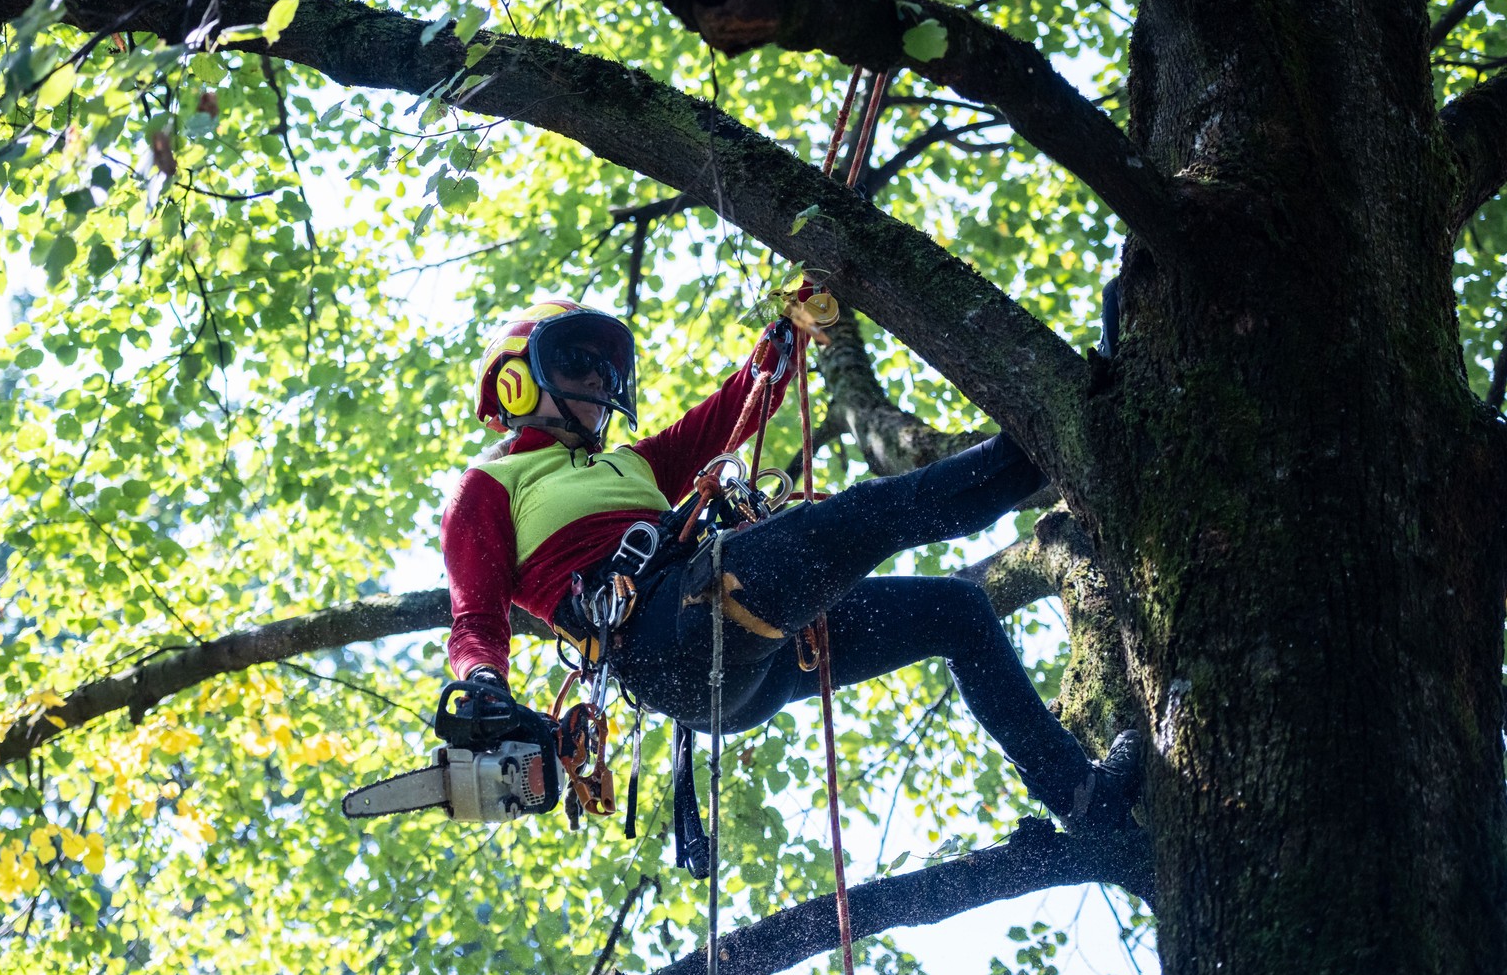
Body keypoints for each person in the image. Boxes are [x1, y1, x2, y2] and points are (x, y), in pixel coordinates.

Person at [439, 298, 1140, 829]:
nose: (595, 376)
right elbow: (475, 616)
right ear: (514, 384)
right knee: (861, 516)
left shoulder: (634, 463)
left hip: (744, 660)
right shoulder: (489, 485)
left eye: (603, 365)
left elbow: (732, 409)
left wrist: (786, 335)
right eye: (573, 361)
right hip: (664, 636)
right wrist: (486, 688)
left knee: (956, 612)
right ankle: (1068, 436)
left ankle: (1081, 798)